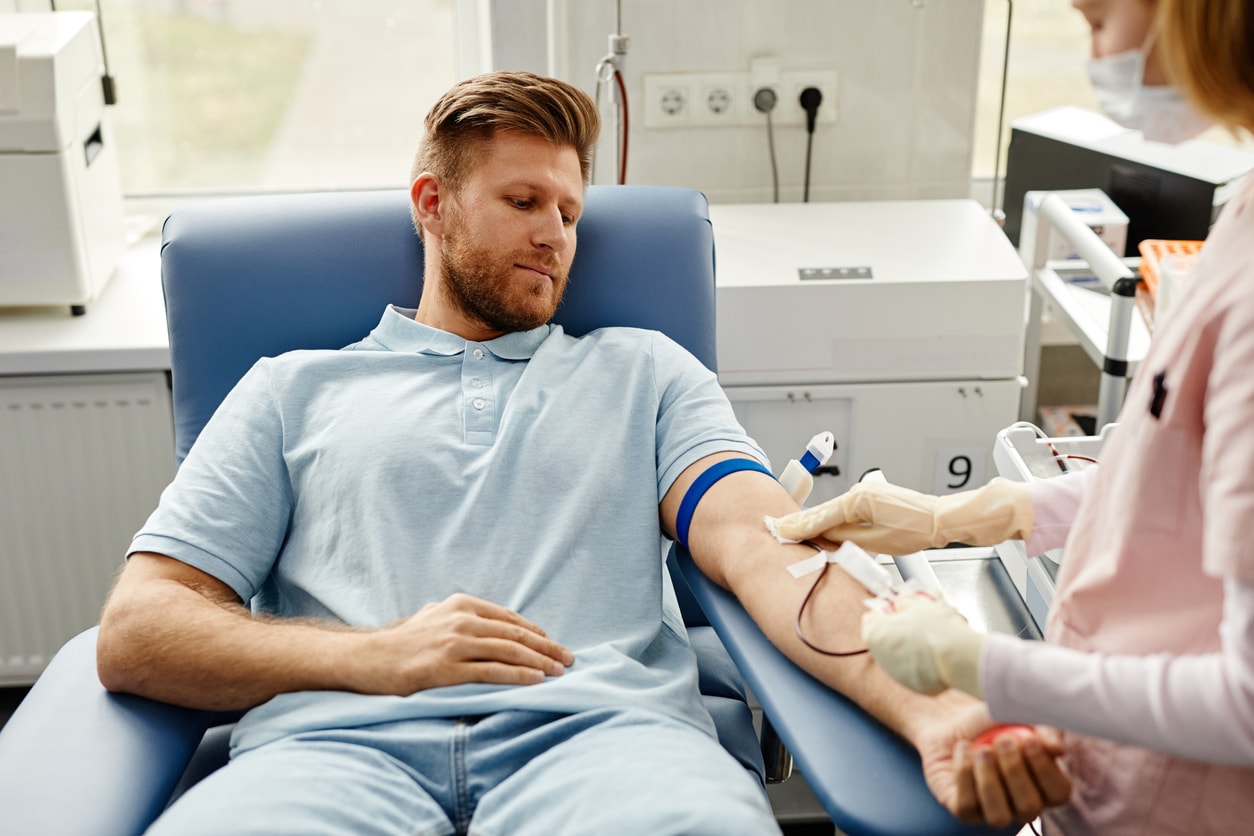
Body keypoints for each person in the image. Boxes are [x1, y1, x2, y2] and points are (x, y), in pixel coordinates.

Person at [96, 71, 1067, 835]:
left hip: (610, 749)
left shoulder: (644, 372)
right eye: (523, 200)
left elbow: (768, 550)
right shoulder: (289, 391)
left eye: (569, 211)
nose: (555, 234)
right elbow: (140, 628)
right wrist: (374, 656)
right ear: (431, 201)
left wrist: (938, 711)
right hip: (329, 753)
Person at [775, 1, 1254, 833]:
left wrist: (979, 666)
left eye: (1102, 6)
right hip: (1107, 775)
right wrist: (966, 514)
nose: (1077, 10)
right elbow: (1173, 477)